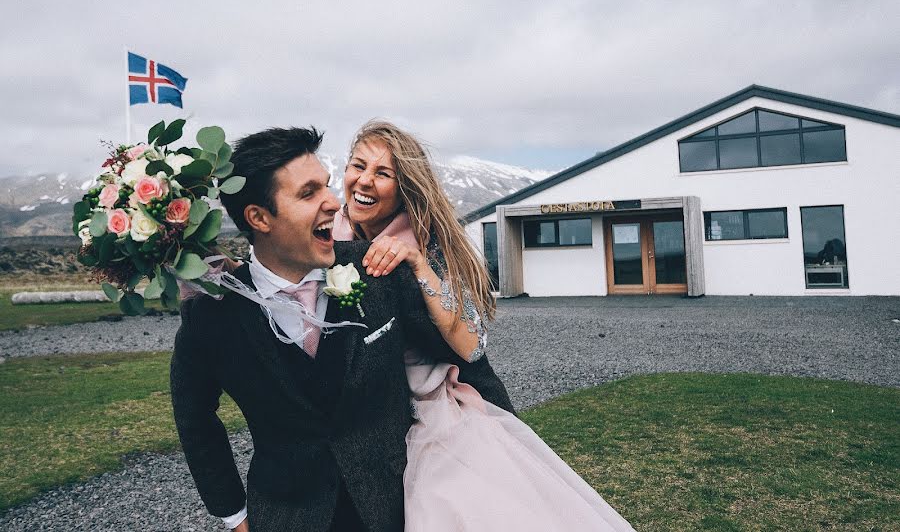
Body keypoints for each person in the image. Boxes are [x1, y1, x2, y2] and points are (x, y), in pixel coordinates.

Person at [170, 127, 512, 532]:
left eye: (328, 187)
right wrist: (234, 516)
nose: (334, 203)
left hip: (402, 509)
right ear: (259, 218)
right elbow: (195, 418)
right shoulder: (211, 311)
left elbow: (467, 360)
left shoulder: (380, 267)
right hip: (286, 516)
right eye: (308, 193)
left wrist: (510, 457)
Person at [334, 120, 636, 531]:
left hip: (431, 405)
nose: (364, 181)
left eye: (383, 173)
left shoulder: (428, 243)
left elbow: (472, 345)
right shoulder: (328, 235)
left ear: (405, 189)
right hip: (363, 411)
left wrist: (418, 263)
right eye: (358, 166)